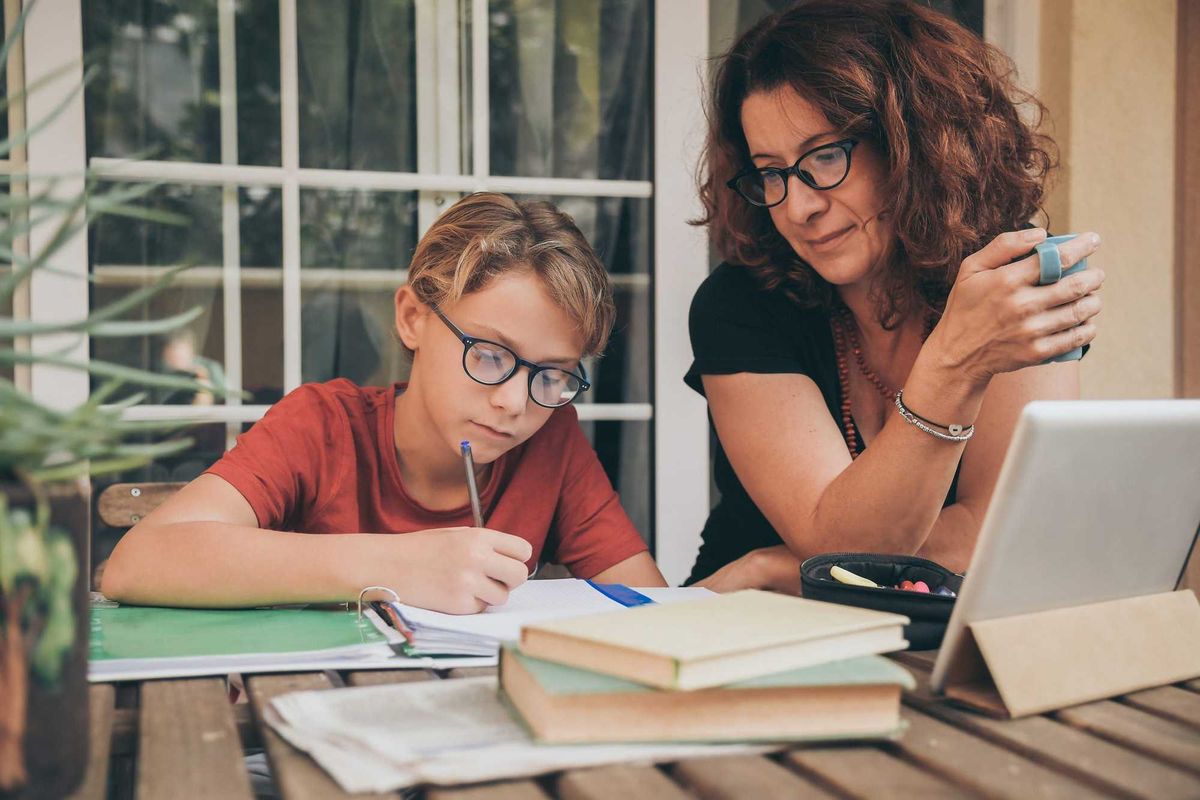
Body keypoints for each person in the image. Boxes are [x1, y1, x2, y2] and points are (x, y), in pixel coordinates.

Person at [685, 0, 1104, 592]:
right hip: (749, 627)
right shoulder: (740, 303)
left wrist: (775, 566)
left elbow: (997, 529)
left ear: (916, 143)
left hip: (928, 631)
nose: (798, 206)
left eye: (825, 156)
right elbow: (843, 544)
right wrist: (955, 363)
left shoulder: (1013, 282)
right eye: (771, 172)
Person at [101, 193, 666, 612]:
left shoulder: (551, 438)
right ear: (413, 318)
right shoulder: (323, 427)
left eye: (553, 375)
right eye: (491, 356)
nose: (516, 402)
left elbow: (647, 609)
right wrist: (396, 565)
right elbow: (138, 563)